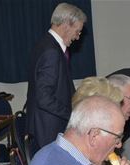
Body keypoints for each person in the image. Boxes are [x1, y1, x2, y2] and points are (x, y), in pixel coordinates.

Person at [26, 3, 87, 152]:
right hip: (47, 128)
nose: (78, 37)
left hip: (47, 125)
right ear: (66, 24)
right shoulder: (51, 51)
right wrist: (72, 115)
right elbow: (44, 98)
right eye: (77, 31)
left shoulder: (46, 44)